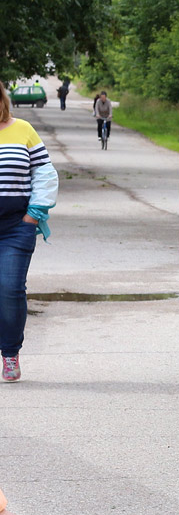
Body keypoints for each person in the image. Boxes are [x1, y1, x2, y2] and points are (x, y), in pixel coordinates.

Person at [0, 84, 59, 383]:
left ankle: (9, 353)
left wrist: (33, 216)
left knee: (10, 289)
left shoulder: (23, 130)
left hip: (15, 227)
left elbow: (45, 173)